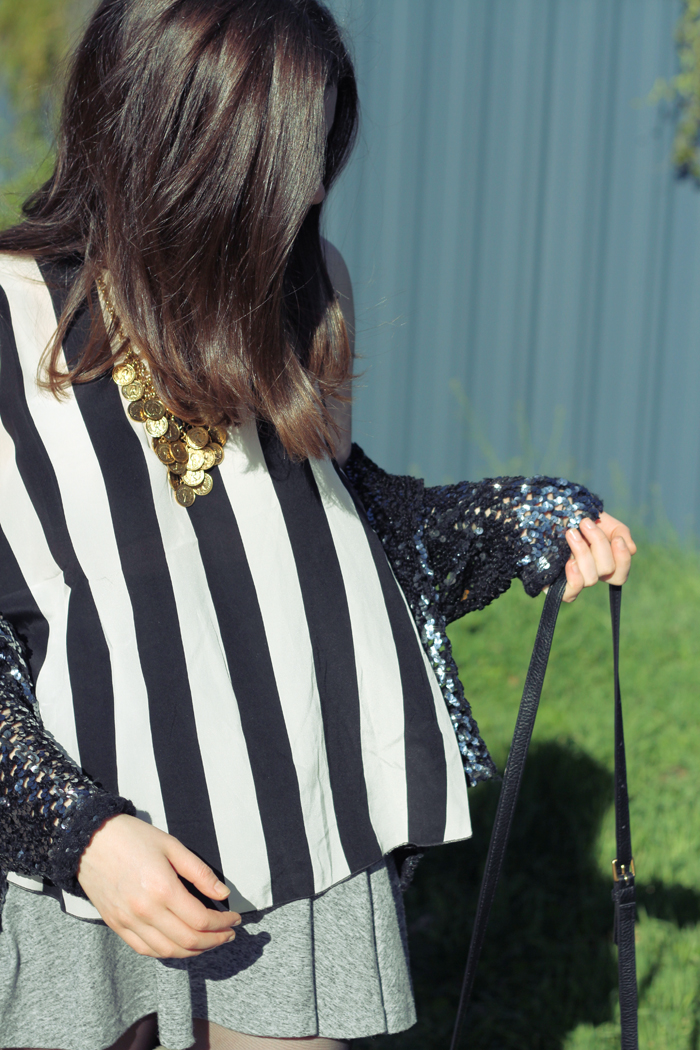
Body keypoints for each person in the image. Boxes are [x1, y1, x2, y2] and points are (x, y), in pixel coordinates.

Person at [0, 2, 636, 1049]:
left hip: (297, 833)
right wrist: (79, 834)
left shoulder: (306, 288)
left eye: (317, 156)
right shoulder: (10, 314)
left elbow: (340, 538)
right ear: (165, 140)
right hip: (83, 851)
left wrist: (524, 518)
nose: (304, 194)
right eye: (277, 163)